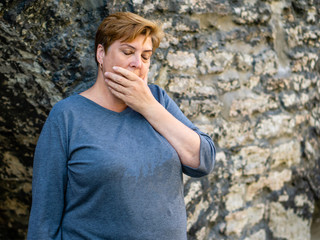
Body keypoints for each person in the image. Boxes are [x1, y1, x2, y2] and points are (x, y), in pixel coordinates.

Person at [27, 12, 216, 240]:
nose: (137, 63)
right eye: (127, 52)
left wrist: (148, 106)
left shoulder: (157, 99)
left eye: (145, 57)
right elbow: (44, 220)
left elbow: (203, 160)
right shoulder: (67, 117)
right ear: (101, 53)